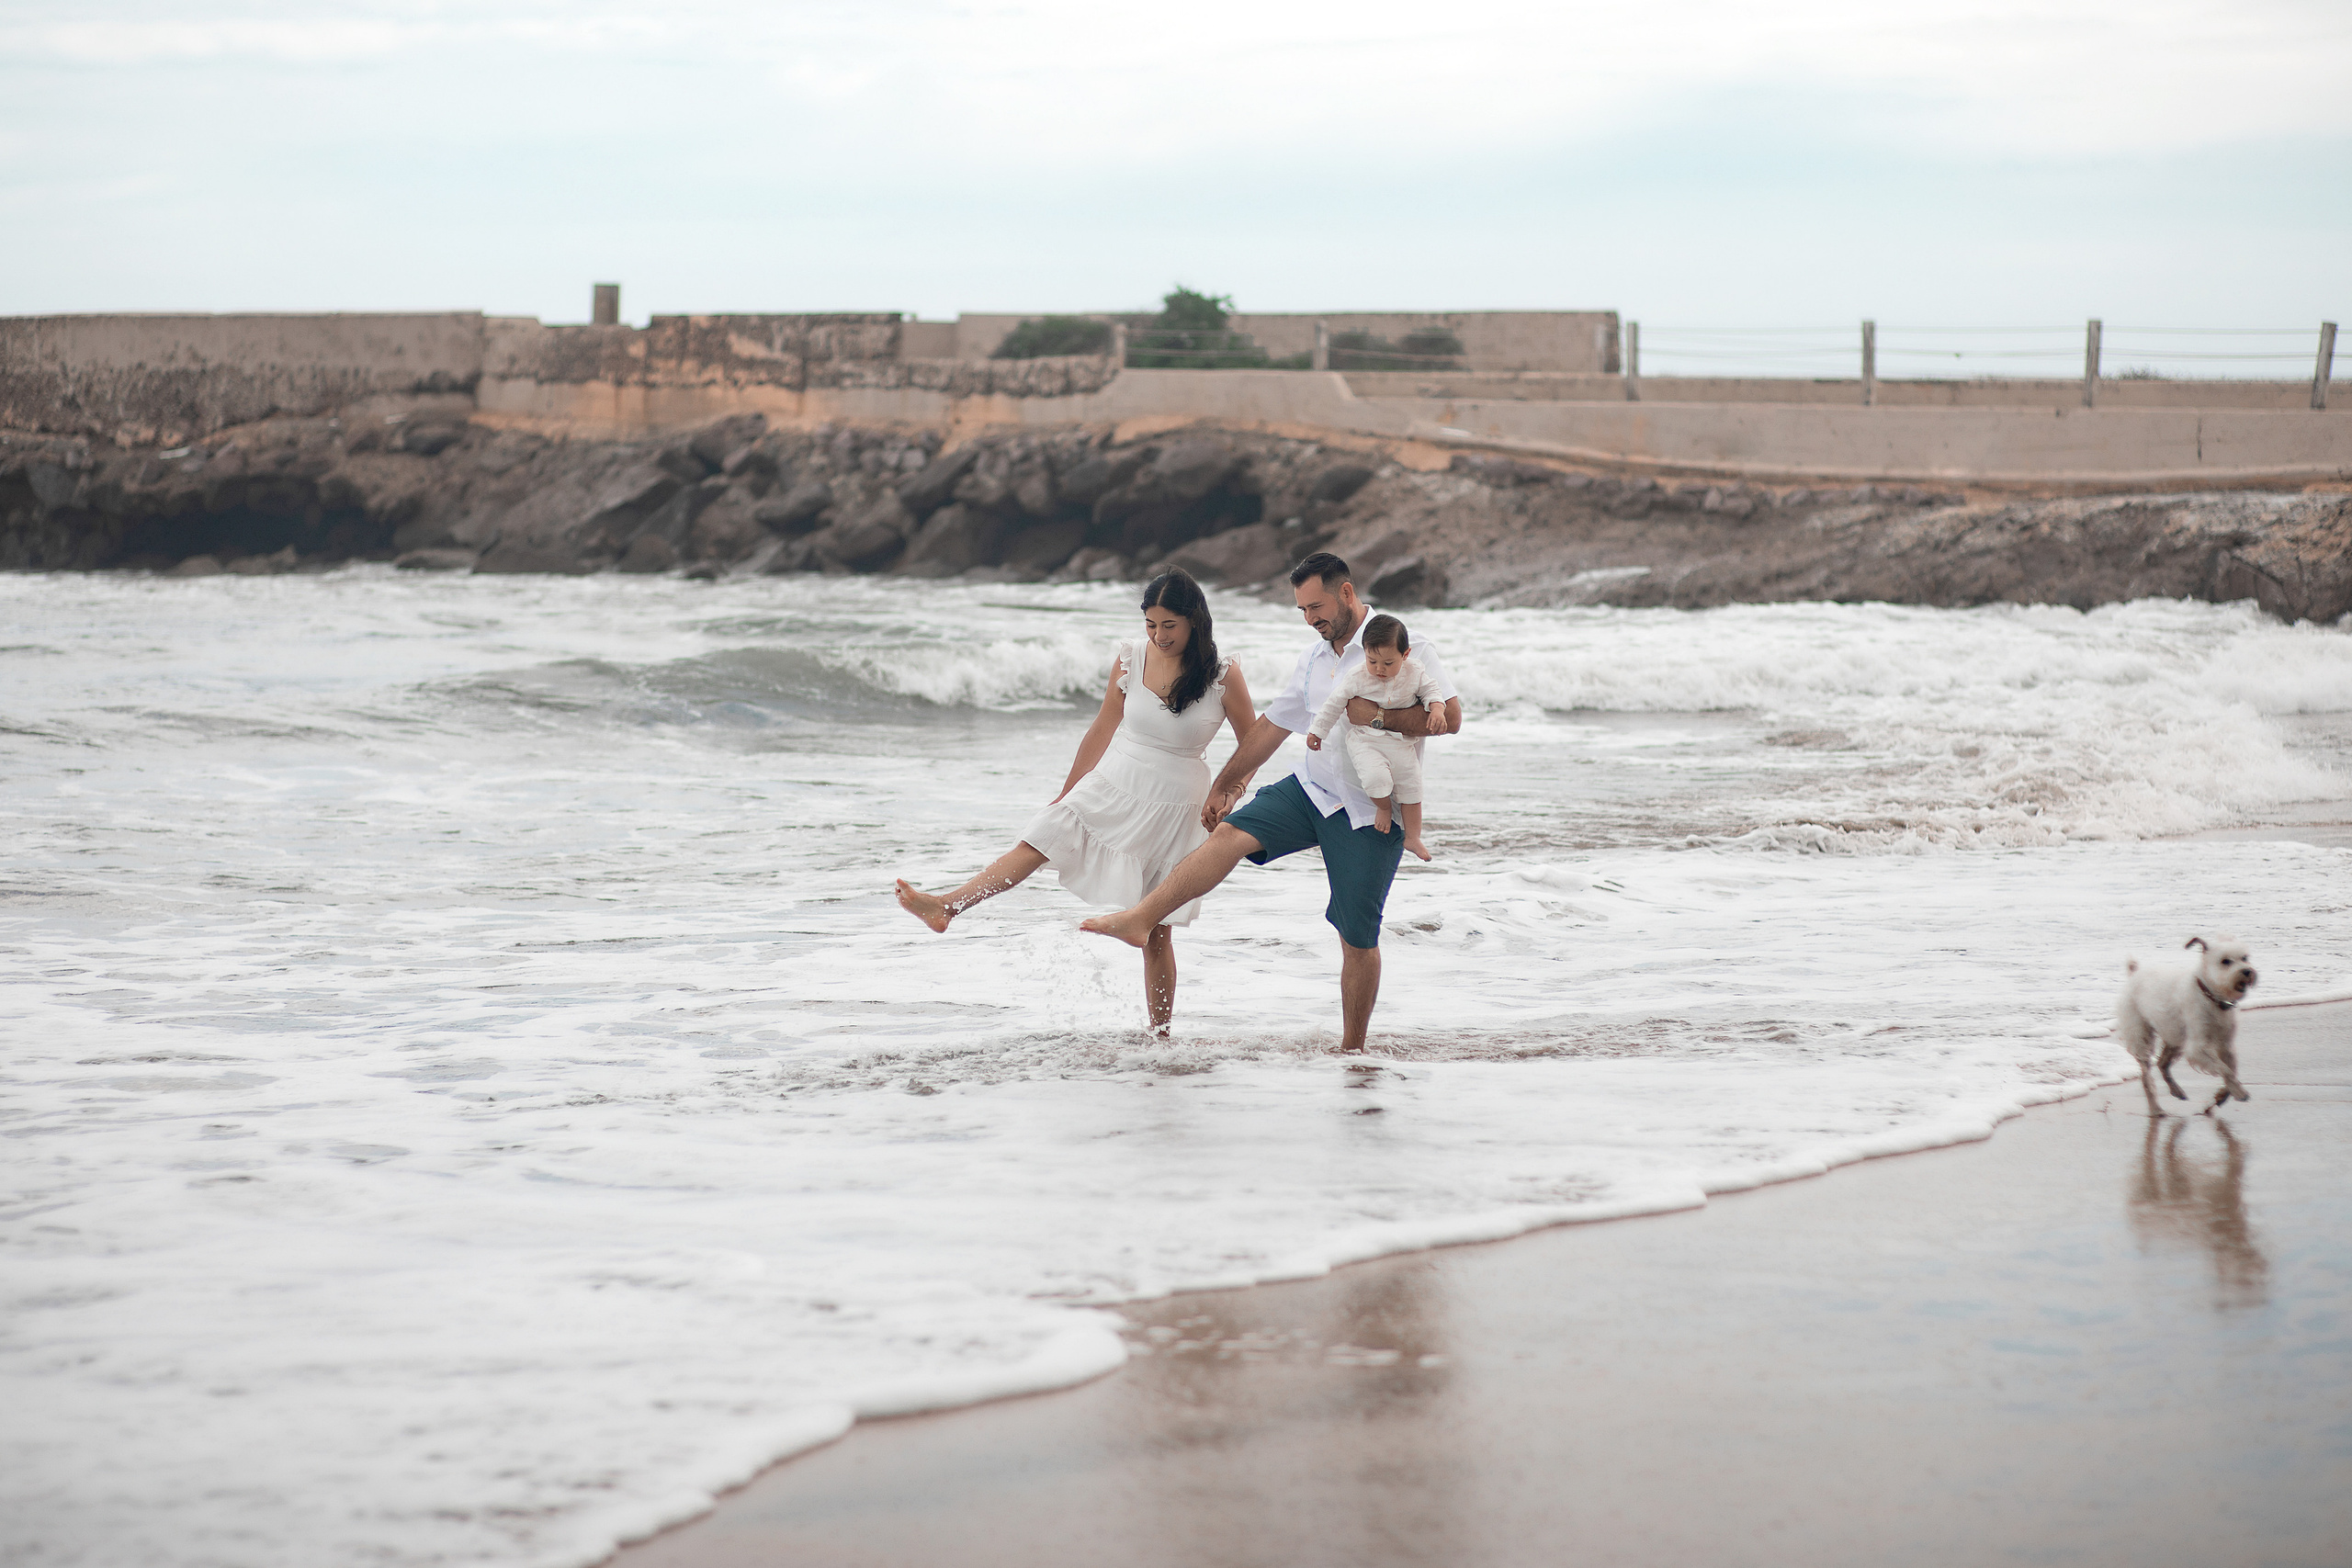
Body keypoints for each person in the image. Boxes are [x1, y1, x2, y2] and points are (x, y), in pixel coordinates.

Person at [1080, 552, 1462, 1053]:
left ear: (1346, 593)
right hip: (1310, 791)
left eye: (1317, 606)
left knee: (1357, 936)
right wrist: (1226, 785)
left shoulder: (1407, 648)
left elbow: (1450, 719)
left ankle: (1353, 1054)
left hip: (1371, 811)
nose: (1311, 619)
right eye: (1302, 610)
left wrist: (1376, 718)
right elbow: (1270, 729)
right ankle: (1141, 917)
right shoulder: (1313, 660)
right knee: (1231, 833)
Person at [894, 569, 1255, 1032]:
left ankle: (1160, 1037)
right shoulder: (1130, 659)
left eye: (1170, 625)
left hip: (1176, 803)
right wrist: (1066, 794)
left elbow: (1252, 744)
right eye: (1151, 624)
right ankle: (949, 906)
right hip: (1115, 778)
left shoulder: (1224, 675)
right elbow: (1103, 727)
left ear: (1194, 621)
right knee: (1041, 837)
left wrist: (1229, 791)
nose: (1159, 635)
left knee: (1155, 929)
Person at [1305, 612, 1444, 860]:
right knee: (1376, 778)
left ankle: (1413, 837)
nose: (1379, 669)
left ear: (1406, 654)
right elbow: (1334, 703)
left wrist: (1437, 708)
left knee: (1412, 789)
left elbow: (1432, 689)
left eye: (1388, 663)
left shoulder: (1415, 672)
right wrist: (1318, 731)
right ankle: (1383, 808)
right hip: (1365, 740)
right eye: (1372, 661)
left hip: (1401, 743)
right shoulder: (1358, 676)